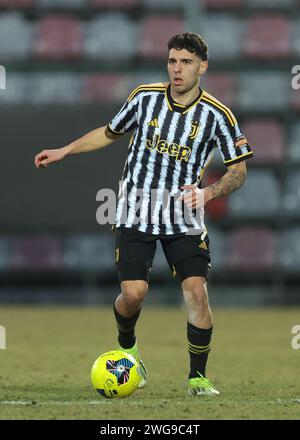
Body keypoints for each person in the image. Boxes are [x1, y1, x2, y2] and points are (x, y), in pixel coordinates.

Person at [35, 32, 253, 396]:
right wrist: (65, 150)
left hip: (182, 217)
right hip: (135, 210)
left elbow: (239, 170)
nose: (177, 69)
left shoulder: (217, 115)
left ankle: (197, 379)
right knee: (133, 293)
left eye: (185, 61)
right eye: (172, 60)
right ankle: (128, 348)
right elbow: (109, 133)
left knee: (197, 292)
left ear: (203, 66)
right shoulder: (144, 98)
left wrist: (209, 192)